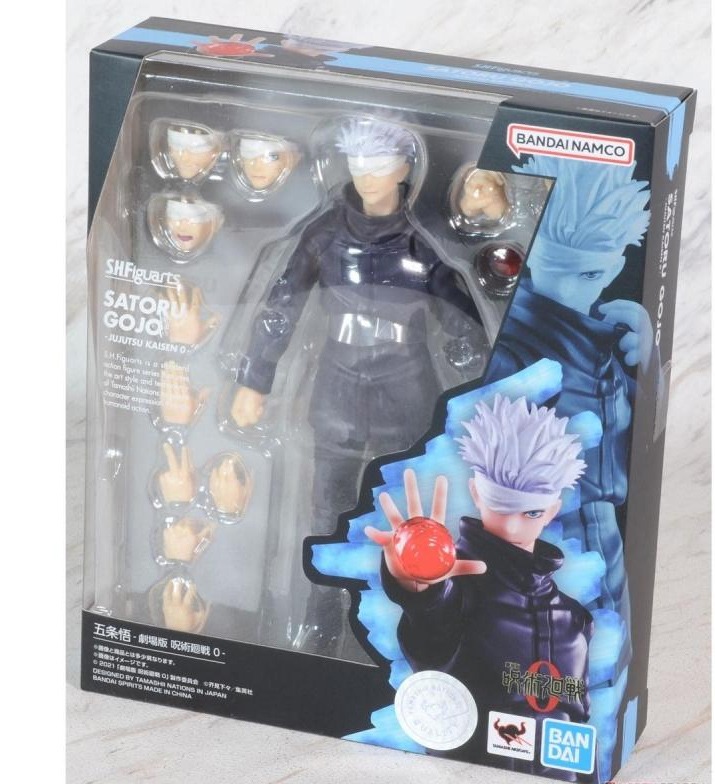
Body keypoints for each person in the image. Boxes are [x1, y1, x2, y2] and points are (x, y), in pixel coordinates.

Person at [230, 117, 492, 655]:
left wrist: (480, 386)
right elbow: (281, 307)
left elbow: (463, 322)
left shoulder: (423, 245)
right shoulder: (324, 235)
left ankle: (408, 625)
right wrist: (255, 380)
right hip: (337, 395)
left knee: (411, 519)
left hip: (408, 396)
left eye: (378, 163)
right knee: (327, 516)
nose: (366, 175)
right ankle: (320, 623)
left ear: (403, 169)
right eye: (357, 163)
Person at [486, 156, 654, 781]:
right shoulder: (511, 342)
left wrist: (646, 364)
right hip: (538, 536)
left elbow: (636, 445)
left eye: (595, 270)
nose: (575, 288)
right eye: (561, 267)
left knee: (603, 659)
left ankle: (587, 742)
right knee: (537, 661)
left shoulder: (606, 336)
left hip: (599, 530)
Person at [366, 394, 593, 778]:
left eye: (532, 511)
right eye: (500, 505)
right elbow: (431, 615)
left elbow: (580, 727)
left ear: (552, 510)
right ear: (476, 492)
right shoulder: (461, 592)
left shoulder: (575, 619)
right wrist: (418, 580)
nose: (513, 526)